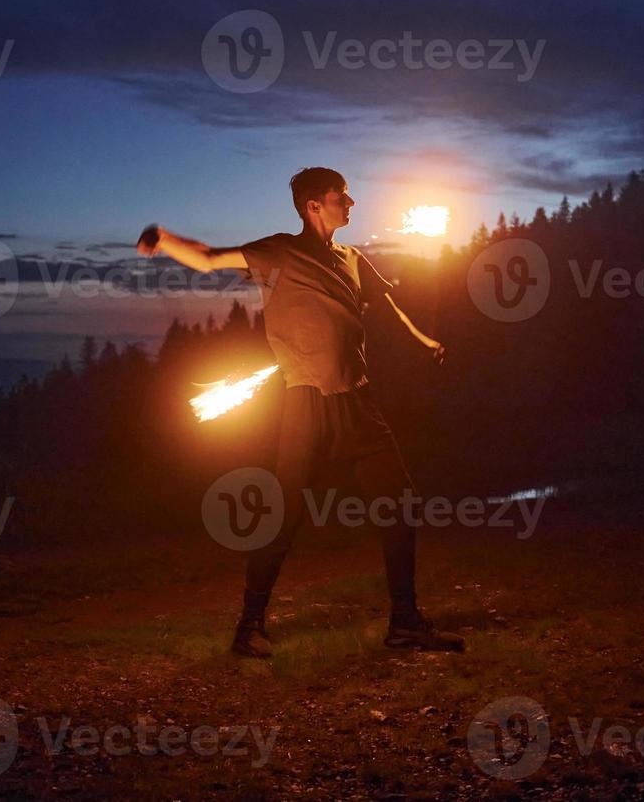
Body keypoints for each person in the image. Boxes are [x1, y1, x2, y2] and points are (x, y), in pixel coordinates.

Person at [137, 167, 464, 656]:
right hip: (307, 403)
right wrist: (164, 239)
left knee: (399, 504)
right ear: (315, 205)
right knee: (284, 514)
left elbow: (387, 305)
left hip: (358, 401)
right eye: (342, 197)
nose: (350, 203)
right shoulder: (277, 253)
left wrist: (423, 340)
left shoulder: (352, 257)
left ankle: (405, 624)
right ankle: (249, 628)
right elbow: (207, 259)